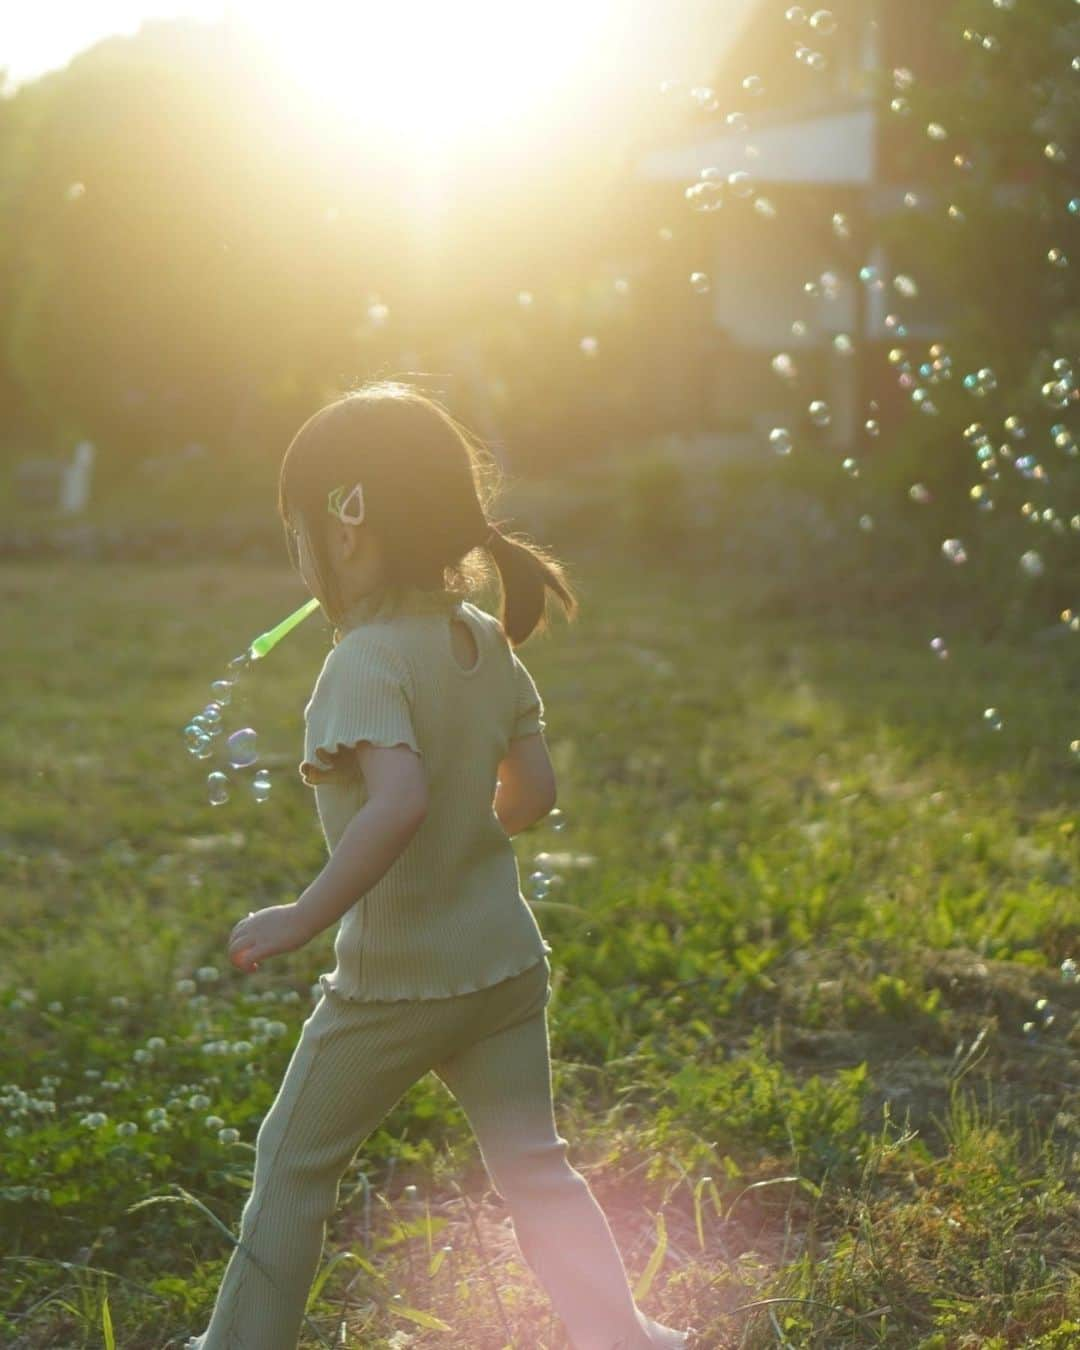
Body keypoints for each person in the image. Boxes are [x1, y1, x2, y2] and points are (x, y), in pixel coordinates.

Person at [185, 382, 693, 1349]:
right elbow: (533, 793)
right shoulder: (485, 640)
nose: (299, 559)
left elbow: (398, 803)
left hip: (393, 983)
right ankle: (623, 1337)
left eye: (296, 535)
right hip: (502, 963)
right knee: (537, 1165)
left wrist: (301, 917)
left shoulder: (363, 661)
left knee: (292, 1167)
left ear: (346, 529)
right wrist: (471, 830)